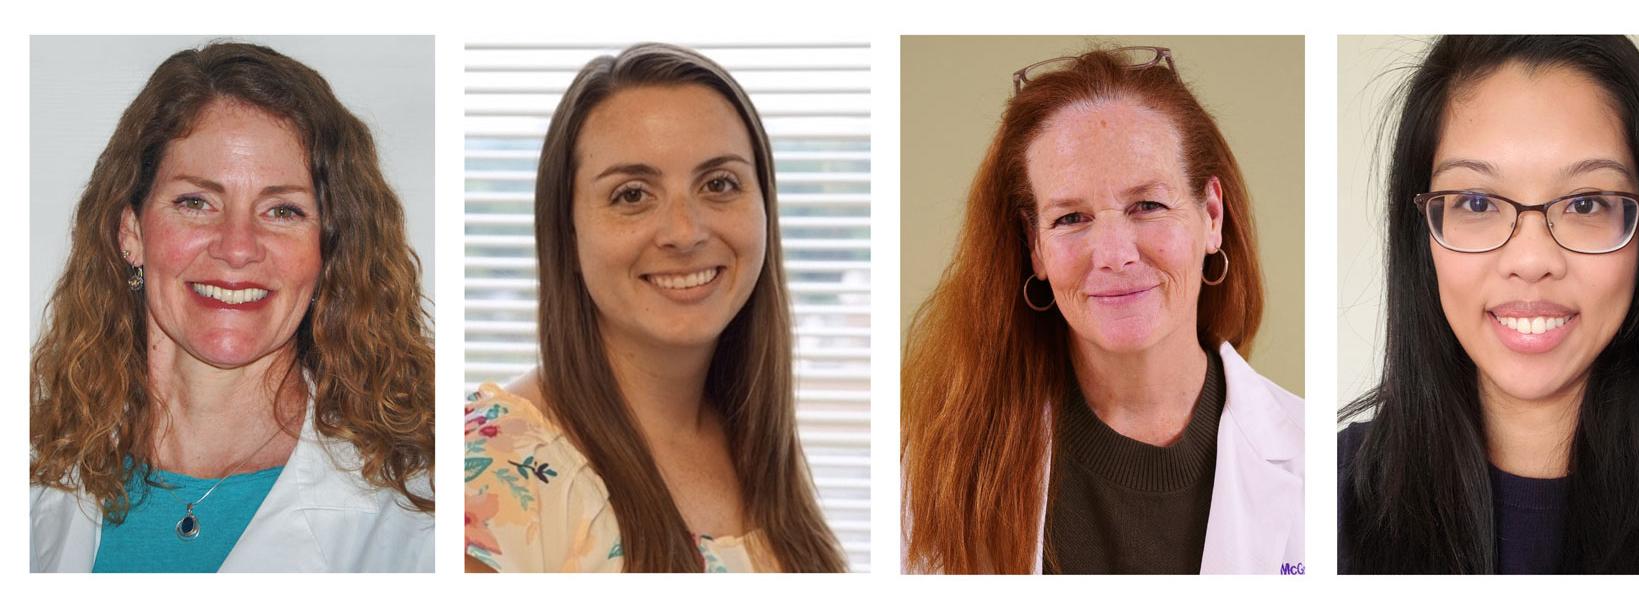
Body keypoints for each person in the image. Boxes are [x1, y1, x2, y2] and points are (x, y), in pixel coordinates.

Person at [1337, 35, 1639, 574]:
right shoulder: (1327, 493)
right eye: (1476, 202)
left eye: (1586, 203)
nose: (1530, 260)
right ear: (1423, 236)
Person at [29, 42, 435, 572]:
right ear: (132, 233)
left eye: (282, 210)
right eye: (196, 202)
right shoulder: (33, 477)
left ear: (331, 249)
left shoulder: (423, 515)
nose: (237, 247)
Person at [900, 46, 1303, 575]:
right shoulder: (929, 471)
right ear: (1035, 246)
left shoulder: (1321, 461)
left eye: (1148, 206)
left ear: (1210, 215)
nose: (1114, 254)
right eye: (1070, 218)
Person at [463, 42, 846, 573]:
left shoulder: (752, 443)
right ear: (567, 234)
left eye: (719, 184)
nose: (685, 232)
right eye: (632, 195)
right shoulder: (491, 471)